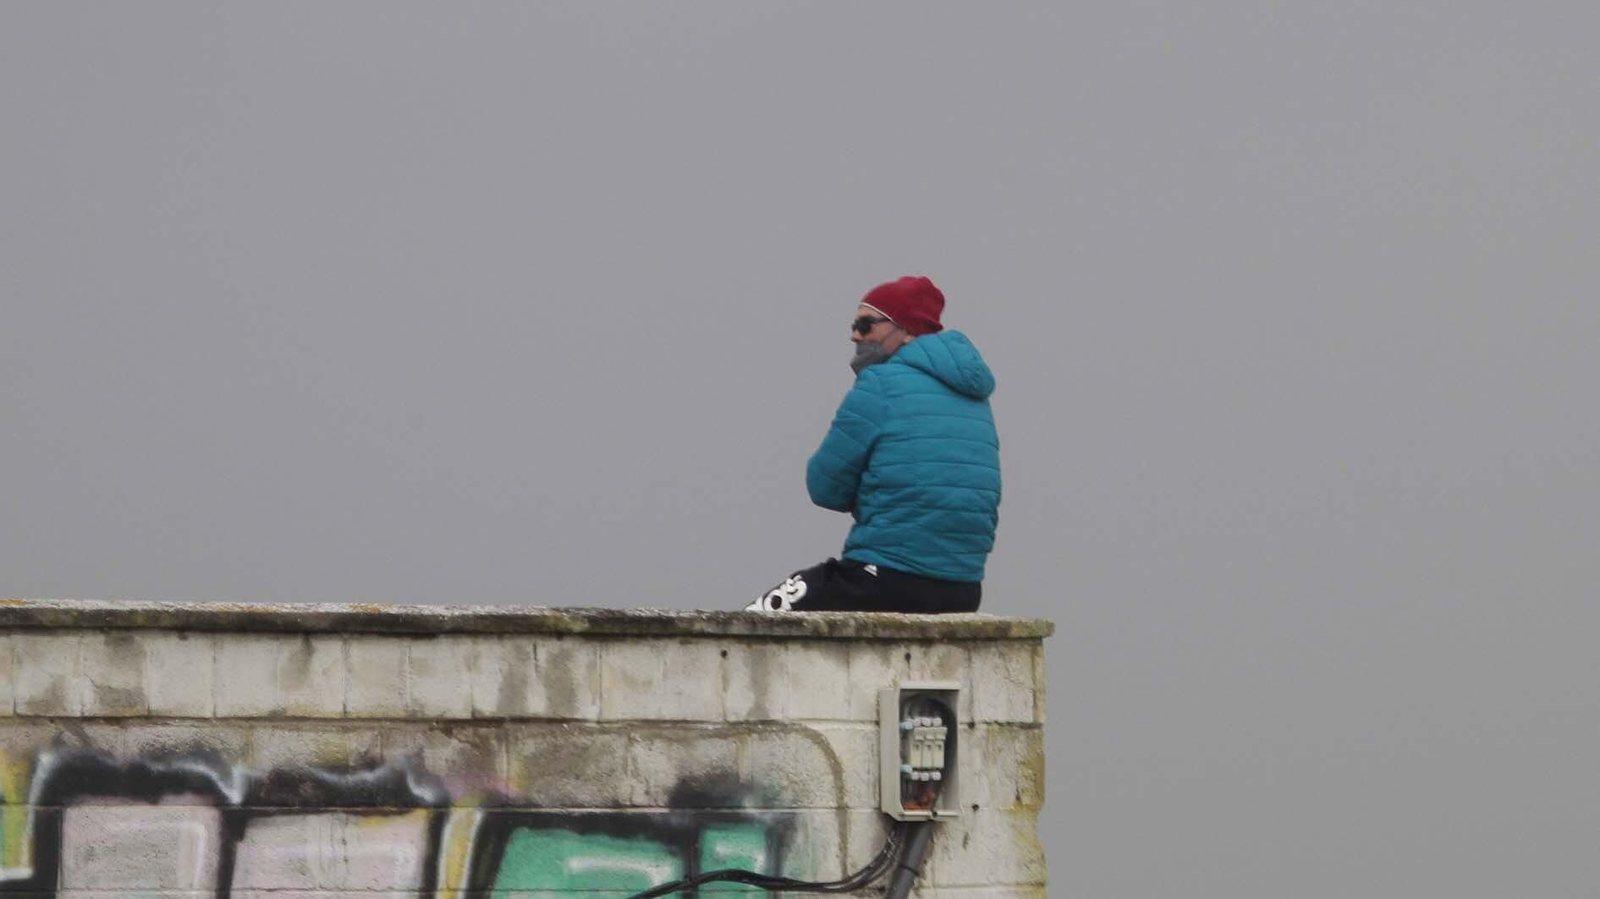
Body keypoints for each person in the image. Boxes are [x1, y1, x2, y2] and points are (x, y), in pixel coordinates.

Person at [746, 276, 1000, 613]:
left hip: (884, 579)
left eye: (866, 325)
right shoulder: (975, 398)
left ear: (906, 330)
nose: (854, 335)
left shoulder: (879, 384)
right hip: (963, 591)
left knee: (754, 621)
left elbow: (823, 487)